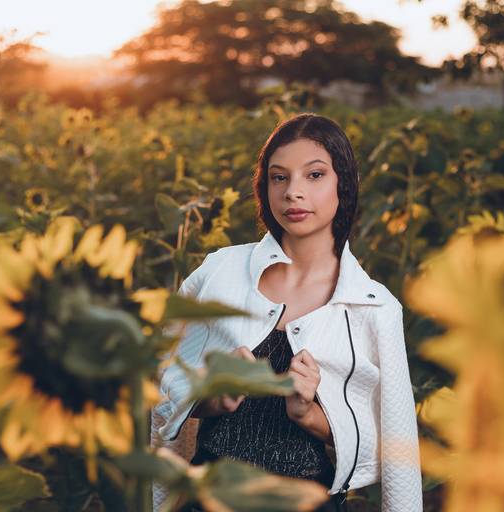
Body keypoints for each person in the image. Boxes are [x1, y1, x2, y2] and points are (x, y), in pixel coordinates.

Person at [152, 113, 422, 512]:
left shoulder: (374, 307)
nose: (293, 192)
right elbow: (168, 390)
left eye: (314, 175)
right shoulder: (217, 272)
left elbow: (394, 442)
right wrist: (215, 396)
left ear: (342, 184)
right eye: (279, 177)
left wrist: (309, 413)